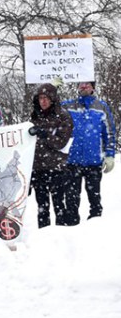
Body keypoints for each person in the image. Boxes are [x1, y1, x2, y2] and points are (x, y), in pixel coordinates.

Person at [61, 81, 116, 221]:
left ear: (93, 88)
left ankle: (95, 228)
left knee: (95, 199)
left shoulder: (102, 107)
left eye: (87, 84)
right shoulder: (67, 106)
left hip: (94, 162)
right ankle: (71, 229)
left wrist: (109, 155)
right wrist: (53, 88)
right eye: (81, 84)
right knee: (71, 200)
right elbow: (49, 111)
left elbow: (109, 133)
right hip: (72, 161)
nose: (84, 86)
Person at [28, 84, 74, 228]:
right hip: (38, 169)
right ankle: (43, 237)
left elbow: (61, 142)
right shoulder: (34, 116)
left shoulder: (63, 116)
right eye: (41, 98)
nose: (43, 101)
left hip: (57, 168)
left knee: (59, 205)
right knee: (42, 208)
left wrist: (45, 135)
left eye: (46, 98)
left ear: (53, 99)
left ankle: (60, 237)